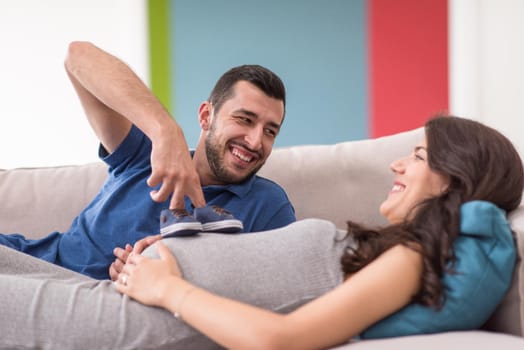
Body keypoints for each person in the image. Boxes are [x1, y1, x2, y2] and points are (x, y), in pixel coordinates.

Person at [0, 115, 521, 349]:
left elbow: (282, 339)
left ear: (454, 178)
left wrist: (169, 288)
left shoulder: (409, 260)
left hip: (129, 317)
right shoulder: (386, 251)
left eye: (418, 156)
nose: (397, 165)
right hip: (122, 291)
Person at [0, 41, 295, 280]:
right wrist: (164, 130)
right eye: (244, 119)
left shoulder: (267, 205)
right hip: (38, 268)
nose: (256, 141)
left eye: (270, 131)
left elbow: (272, 288)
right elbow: (79, 56)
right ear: (206, 116)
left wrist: (176, 265)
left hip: (108, 310)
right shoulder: (145, 153)